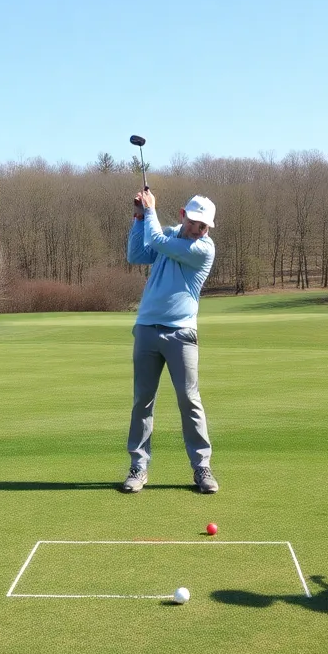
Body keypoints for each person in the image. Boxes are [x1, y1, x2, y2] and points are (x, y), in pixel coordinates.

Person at [123, 189, 218, 493]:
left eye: (203, 226)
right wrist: (140, 217)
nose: (197, 230)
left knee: (189, 399)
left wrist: (151, 210)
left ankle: (202, 467)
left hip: (181, 333)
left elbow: (157, 241)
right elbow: (137, 255)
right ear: (182, 215)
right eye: (193, 223)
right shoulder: (167, 234)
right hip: (147, 328)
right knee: (143, 400)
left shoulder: (203, 249)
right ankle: (138, 467)